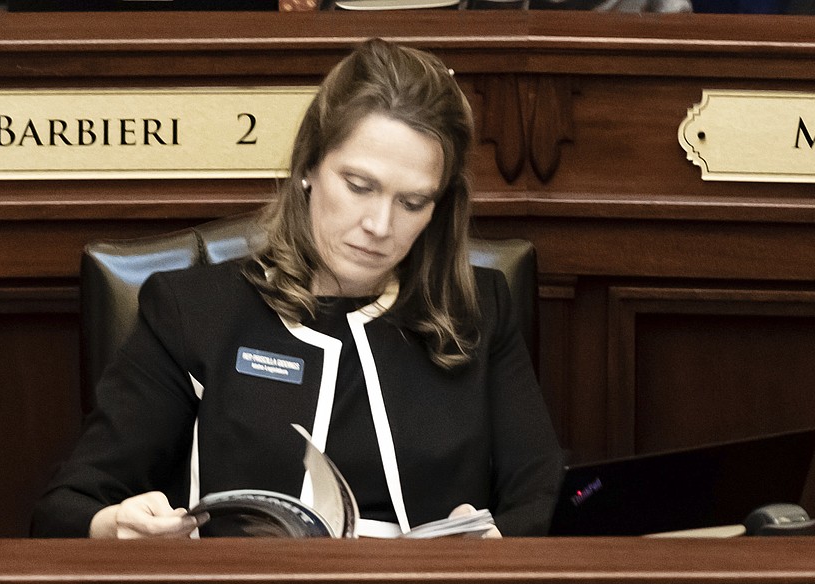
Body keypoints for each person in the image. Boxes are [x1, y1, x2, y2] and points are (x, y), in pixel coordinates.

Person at [31, 38, 563, 540]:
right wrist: (115, 524)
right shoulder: (192, 310)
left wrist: (500, 542)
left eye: (412, 202)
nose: (379, 225)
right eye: (359, 186)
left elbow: (546, 498)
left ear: (440, 207)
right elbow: (65, 507)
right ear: (309, 165)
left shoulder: (479, 308)